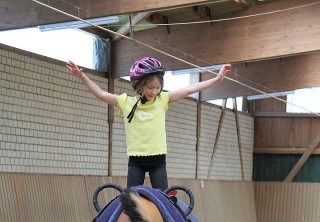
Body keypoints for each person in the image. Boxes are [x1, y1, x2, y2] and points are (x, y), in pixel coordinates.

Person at [66, 57, 231, 190]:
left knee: (165, 202)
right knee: (131, 202)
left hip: (157, 161)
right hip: (136, 161)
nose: (155, 92)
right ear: (139, 86)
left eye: (158, 87)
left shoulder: (162, 100)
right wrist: (82, 76)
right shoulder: (126, 102)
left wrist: (216, 79)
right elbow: (101, 94)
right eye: (151, 87)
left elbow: (189, 89)